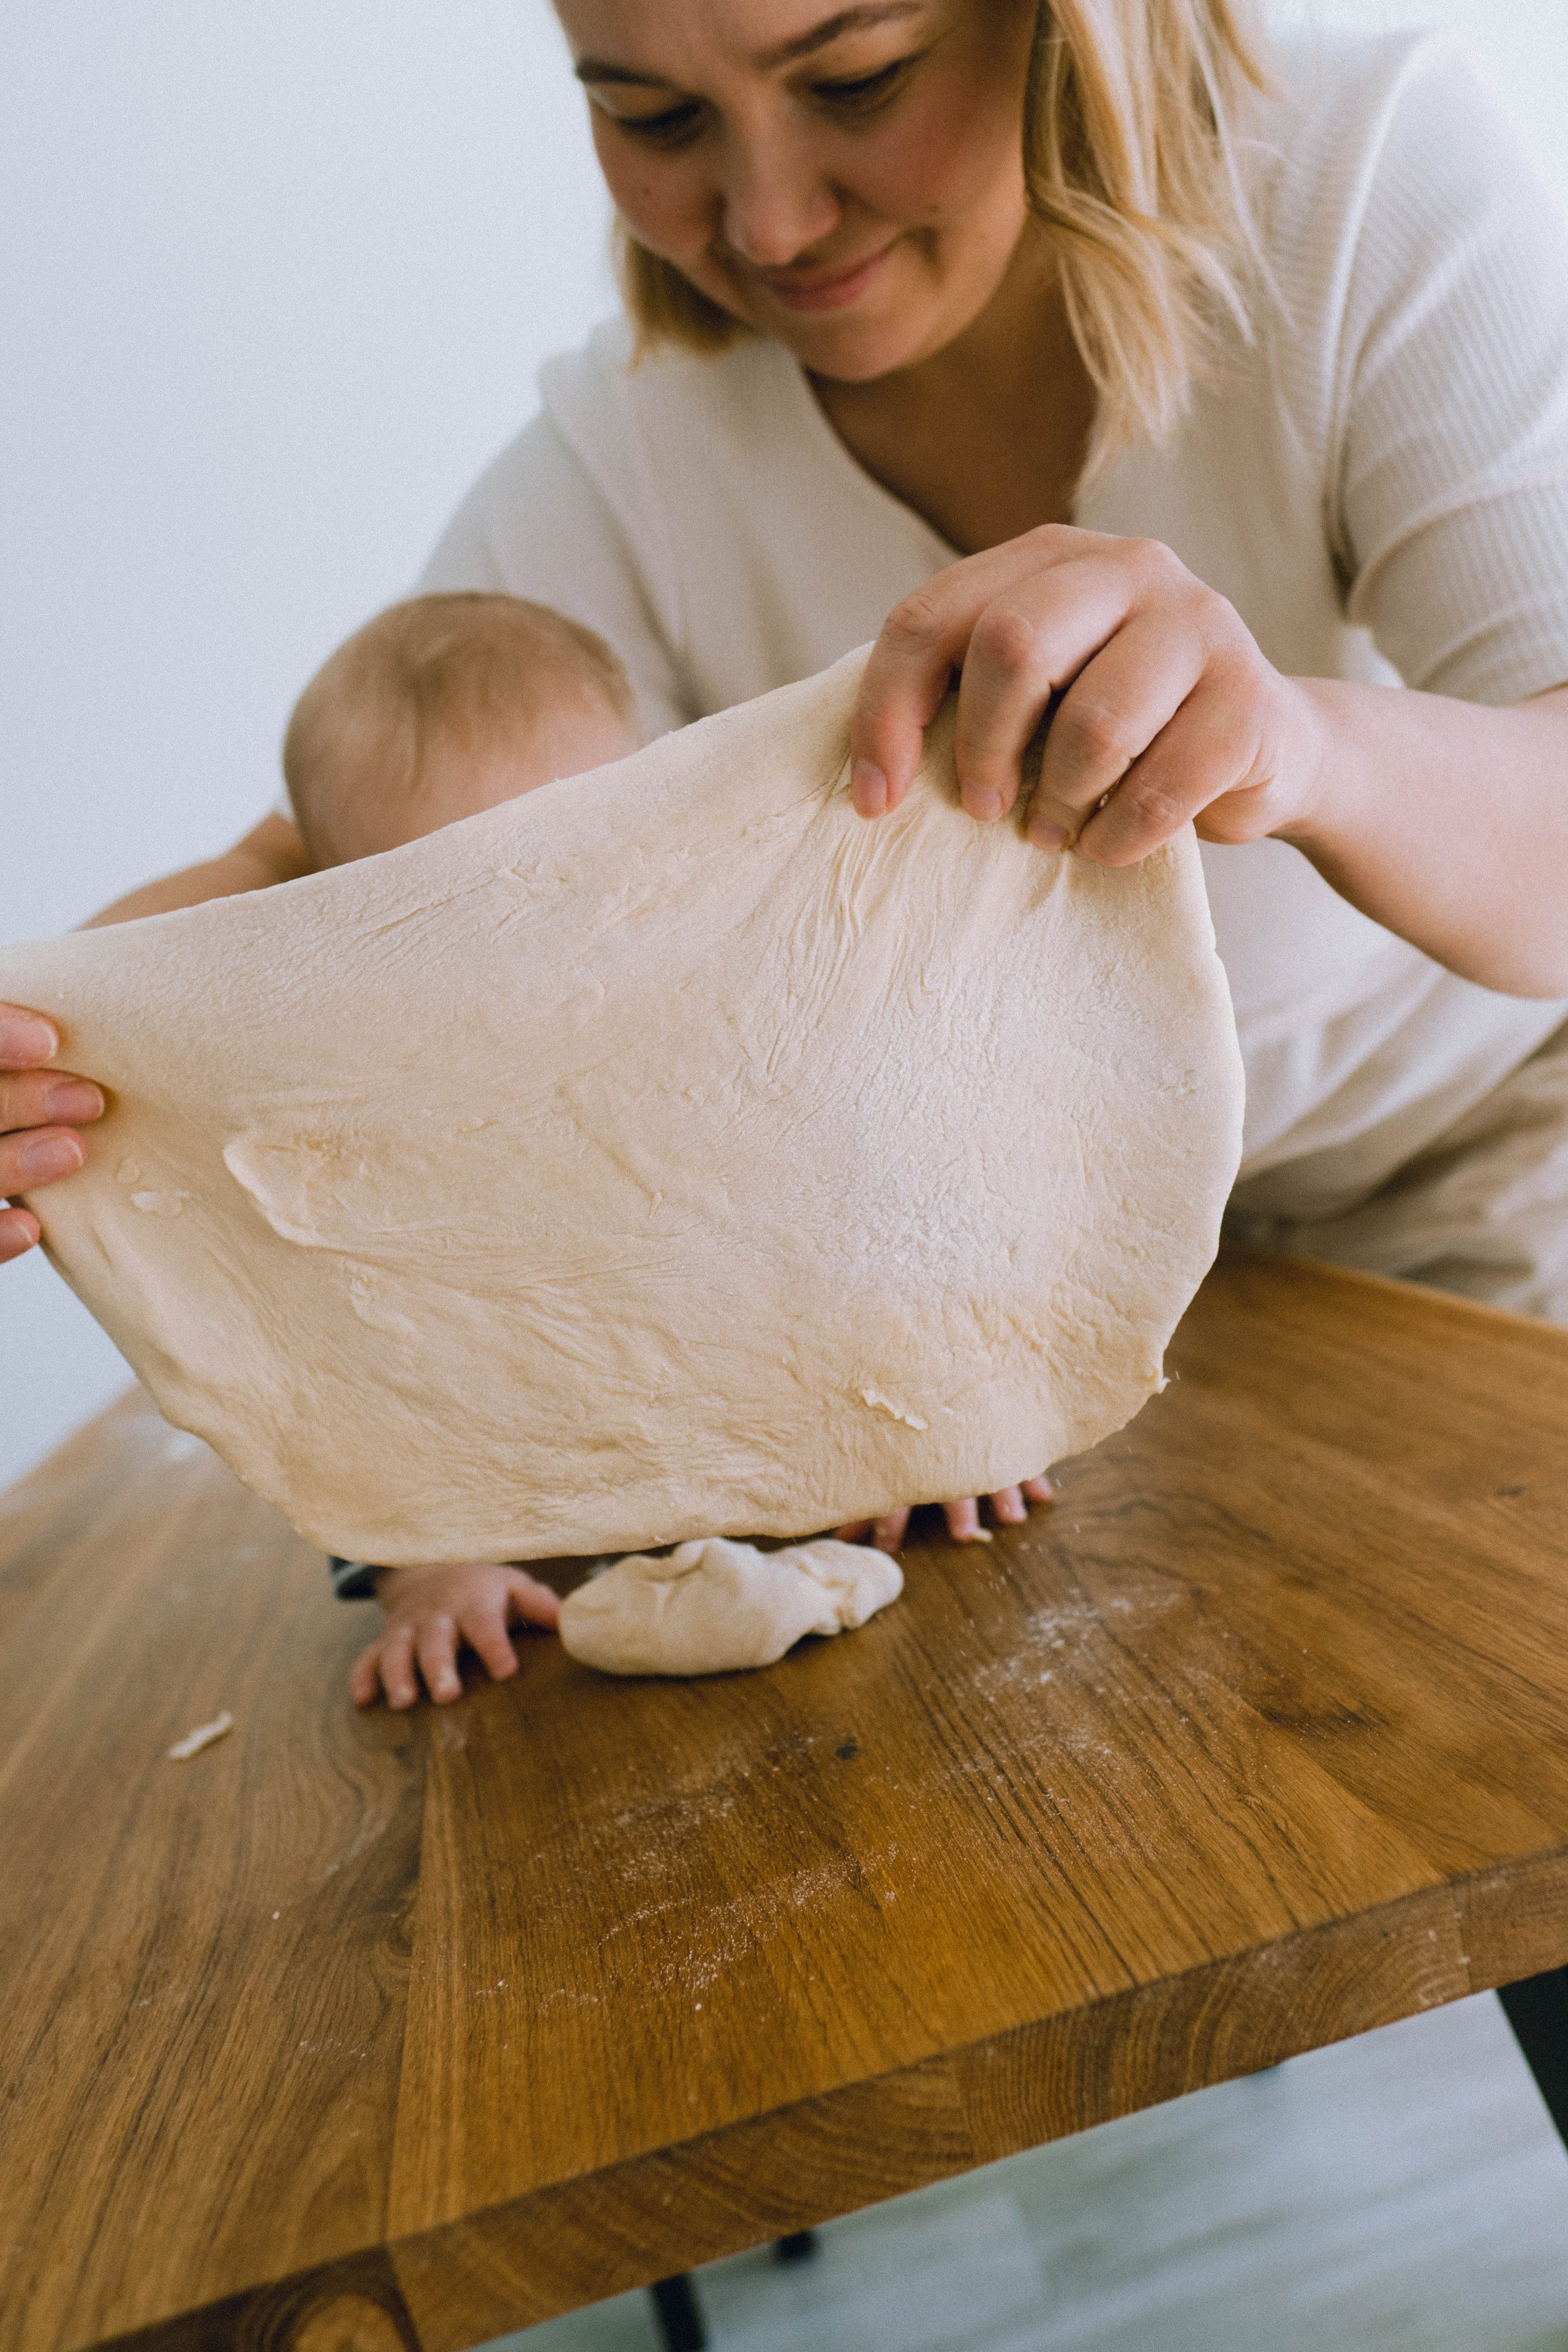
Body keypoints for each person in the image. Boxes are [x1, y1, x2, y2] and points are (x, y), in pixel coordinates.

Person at [5, 0, 1566, 1606]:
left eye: (857, 80)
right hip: (985, 1286)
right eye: (653, 119)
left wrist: (1301, 750)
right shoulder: (623, 465)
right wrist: (63, 1055)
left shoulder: (1358, 186)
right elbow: (333, 881)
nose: (766, 219)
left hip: (1469, 1183)